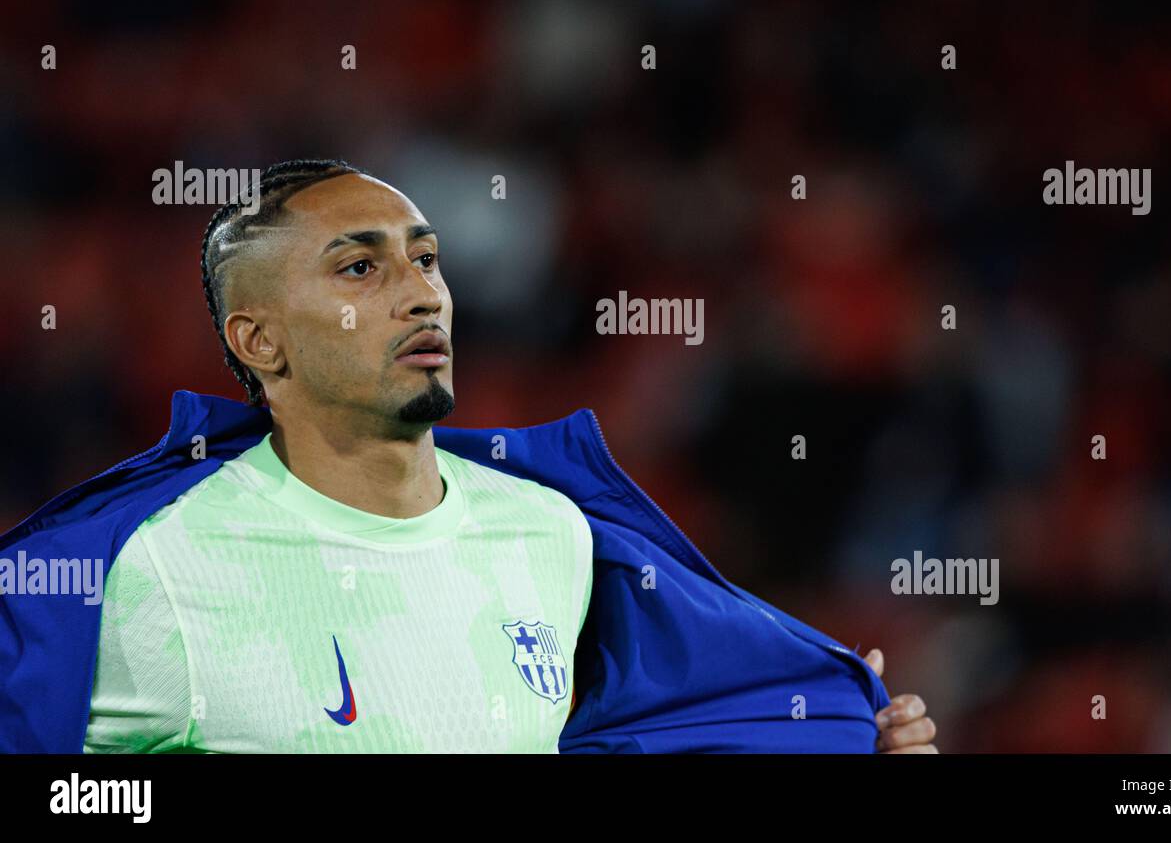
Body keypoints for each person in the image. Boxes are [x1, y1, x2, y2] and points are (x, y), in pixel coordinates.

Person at [1, 160, 934, 753]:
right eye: (360, 267)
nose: (421, 295)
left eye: (427, 259)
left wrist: (840, 741)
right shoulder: (143, 572)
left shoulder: (553, 534)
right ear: (259, 342)